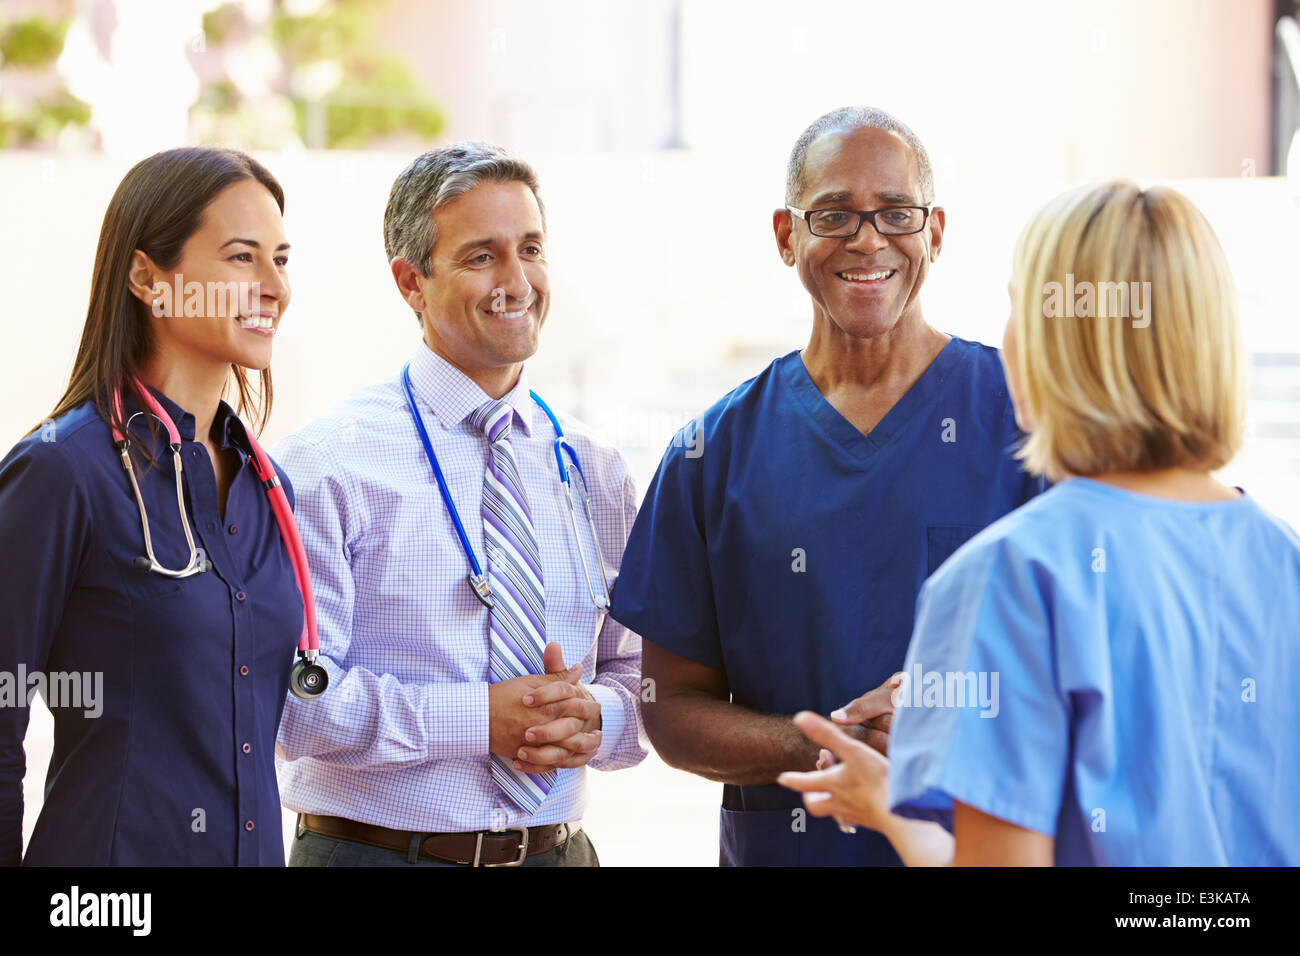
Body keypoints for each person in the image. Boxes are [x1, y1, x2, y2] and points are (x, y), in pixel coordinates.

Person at [779, 180, 1300, 866]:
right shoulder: (1280, 555)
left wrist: (887, 807)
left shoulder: (1012, 575)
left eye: (1020, 304)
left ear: (1063, 339)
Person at [608, 106, 1043, 867]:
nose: (867, 240)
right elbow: (669, 709)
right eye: (833, 215)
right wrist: (824, 743)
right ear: (787, 237)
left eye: (895, 214)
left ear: (934, 232)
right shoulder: (711, 454)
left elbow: (1095, 675)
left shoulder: (1030, 427)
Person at [274, 142, 646, 867]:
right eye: (482, 257)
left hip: (559, 853)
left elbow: (640, 678)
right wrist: (477, 720)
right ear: (411, 282)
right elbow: (296, 706)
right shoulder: (327, 465)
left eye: (530, 249)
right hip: (378, 857)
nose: (517, 281)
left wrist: (598, 718)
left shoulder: (595, 471)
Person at [0, 147, 310, 865]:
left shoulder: (271, 494)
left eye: (282, 259)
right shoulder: (60, 474)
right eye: (241, 258)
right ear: (147, 277)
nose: (273, 287)